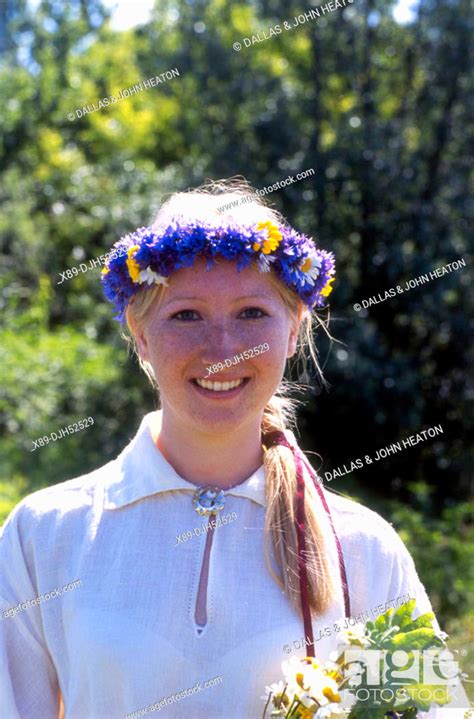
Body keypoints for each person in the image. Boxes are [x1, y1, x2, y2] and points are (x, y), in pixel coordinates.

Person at [0, 179, 467, 718]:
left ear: (294, 330)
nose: (221, 349)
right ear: (140, 331)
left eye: (251, 313)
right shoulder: (44, 534)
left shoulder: (364, 548)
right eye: (186, 315)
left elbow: (433, 714)